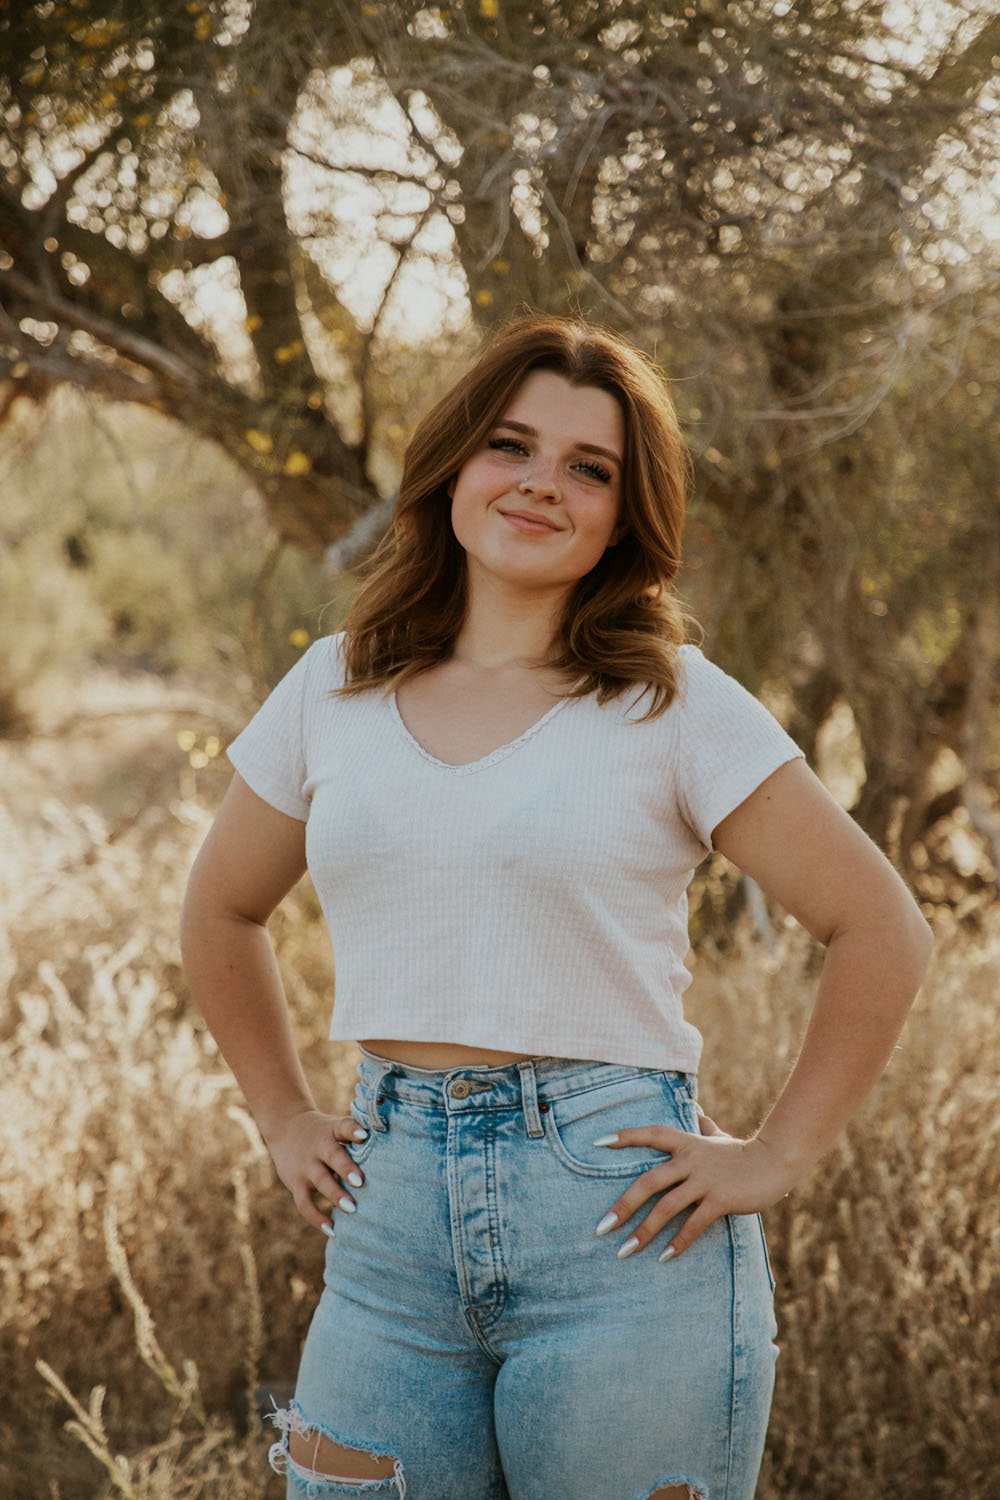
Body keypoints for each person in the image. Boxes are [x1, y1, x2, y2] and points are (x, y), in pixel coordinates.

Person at [180, 314, 932, 1500]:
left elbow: (881, 926)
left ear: (626, 517)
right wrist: (280, 1117)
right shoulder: (334, 683)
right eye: (511, 446)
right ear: (453, 467)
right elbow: (220, 911)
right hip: (387, 1228)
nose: (542, 484)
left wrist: (777, 1154)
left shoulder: (672, 703)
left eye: (590, 469)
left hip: (621, 1232)